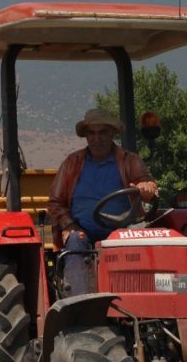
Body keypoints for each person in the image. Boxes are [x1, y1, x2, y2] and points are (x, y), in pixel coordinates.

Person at [48, 107, 158, 296]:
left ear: (112, 133)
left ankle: (144, 304)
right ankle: (80, 304)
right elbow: (55, 202)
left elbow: (145, 184)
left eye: (102, 132)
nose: (96, 138)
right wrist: (71, 225)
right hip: (83, 232)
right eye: (91, 133)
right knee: (75, 240)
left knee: (144, 239)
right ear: (86, 136)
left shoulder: (129, 161)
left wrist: (147, 188)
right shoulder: (72, 163)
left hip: (123, 231)